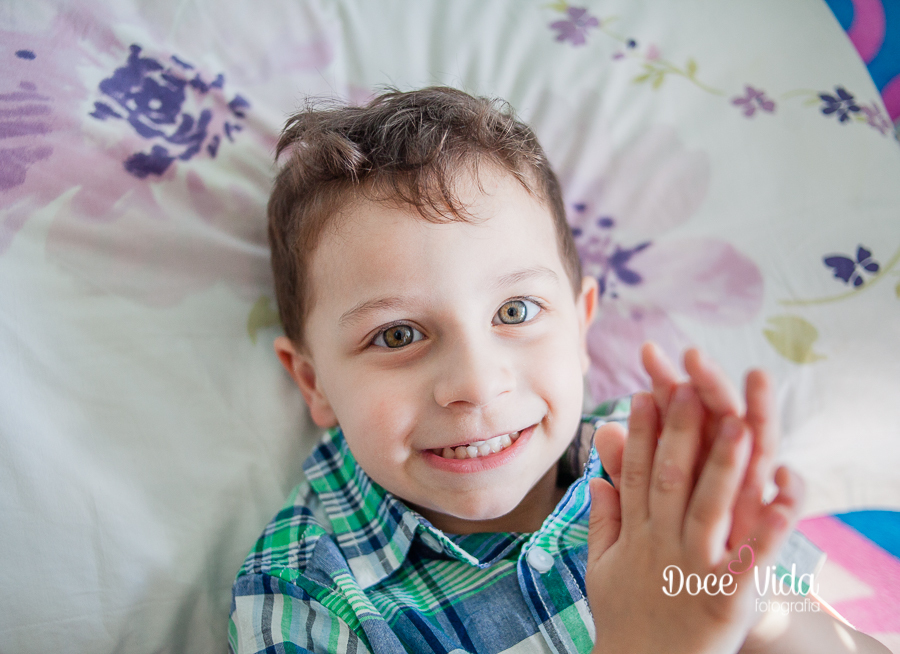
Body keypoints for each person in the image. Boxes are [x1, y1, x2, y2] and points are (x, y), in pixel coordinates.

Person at [229, 86, 889, 653]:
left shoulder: (657, 474)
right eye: (398, 334)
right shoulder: (303, 595)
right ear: (313, 382)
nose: (477, 384)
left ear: (580, 326)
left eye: (515, 311)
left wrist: (758, 615)